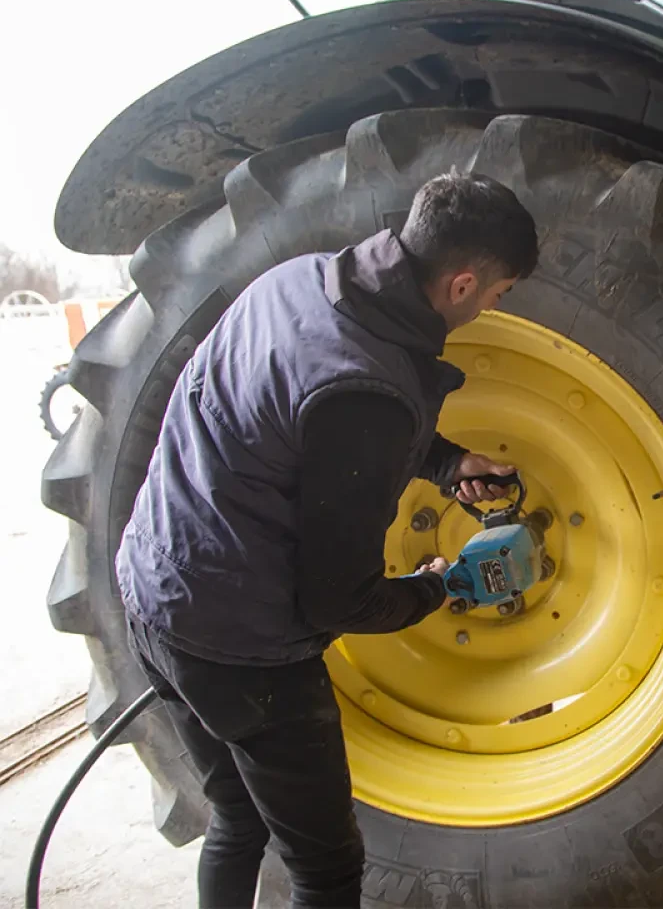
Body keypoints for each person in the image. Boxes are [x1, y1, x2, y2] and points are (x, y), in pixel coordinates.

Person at [116, 170, 540, 908]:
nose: (496, 306)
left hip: (155, 596)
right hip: (243, 651)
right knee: (325, 873)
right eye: (501, 294)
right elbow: (336, 598)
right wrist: (443, 585)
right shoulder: (366, 394)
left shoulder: (299, 283)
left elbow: (301, 416)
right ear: (465, 283)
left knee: (237, 819)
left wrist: (447, 464)